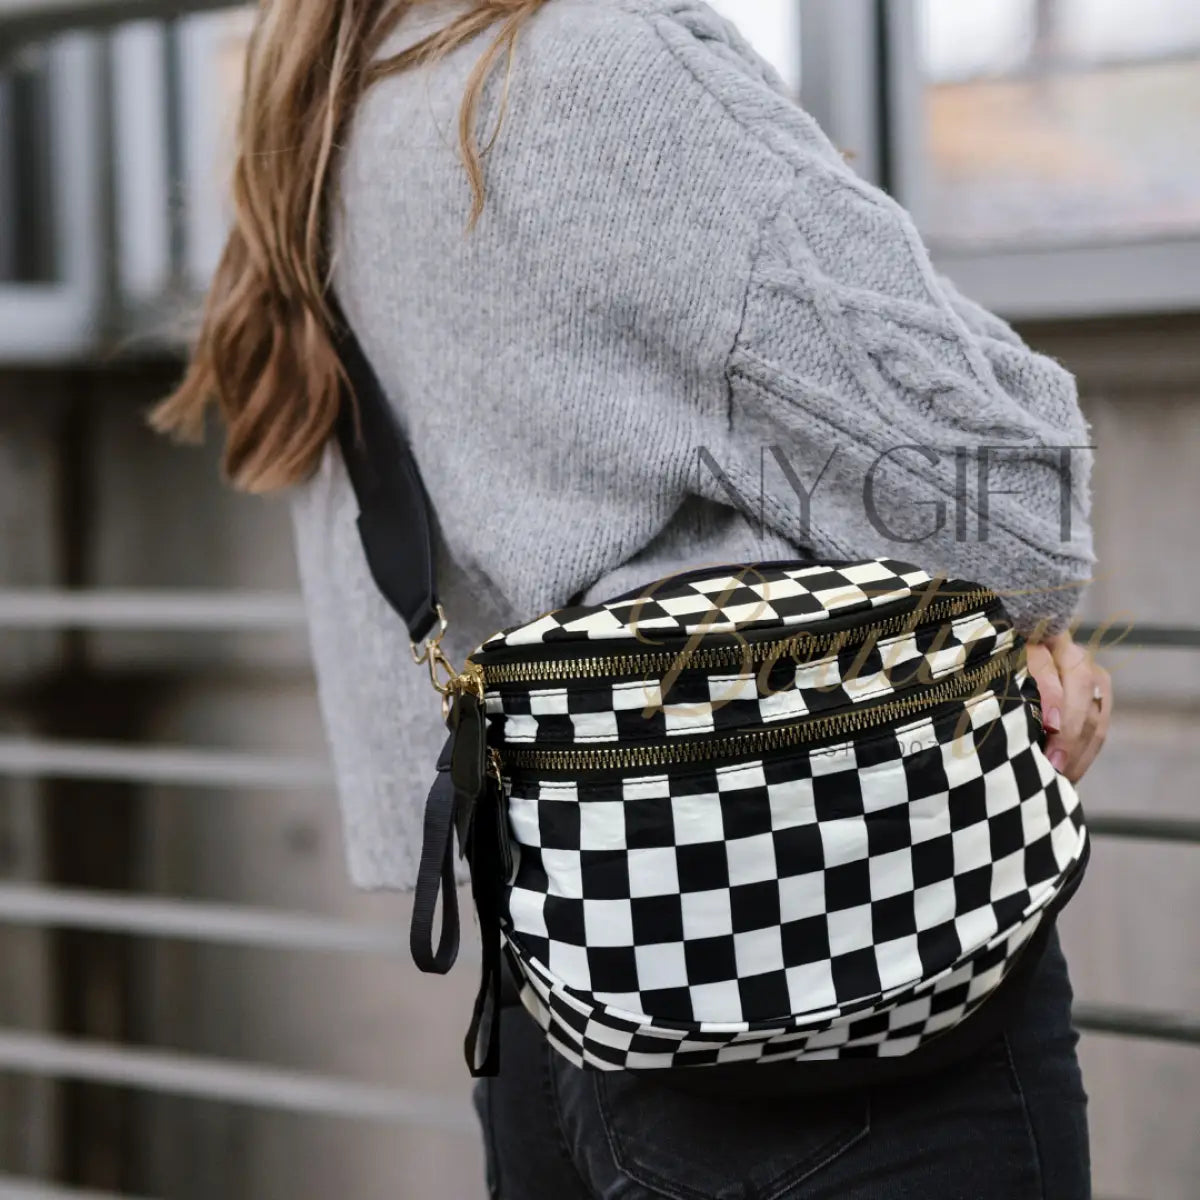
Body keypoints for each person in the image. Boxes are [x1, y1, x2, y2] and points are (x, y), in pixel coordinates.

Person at [153, 1, 1113, 1195]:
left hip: (562, 979)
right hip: (824, 936)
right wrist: (1008, 617)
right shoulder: (592, 70)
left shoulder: (331, 111)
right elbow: (1018, 501)